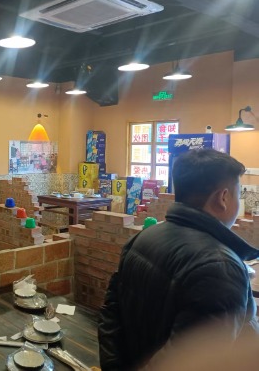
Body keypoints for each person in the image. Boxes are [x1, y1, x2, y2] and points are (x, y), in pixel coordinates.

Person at [98, 148, 259, 371]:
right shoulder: (220, 268)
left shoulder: (143, 237)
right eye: (237, 194)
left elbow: (110, 315)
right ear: (223, 198)